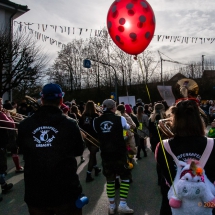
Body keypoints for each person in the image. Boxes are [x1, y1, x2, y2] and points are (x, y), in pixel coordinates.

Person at [17, 83, 85, 215]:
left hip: (36, 194)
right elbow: (79, 150)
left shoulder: (25, 124)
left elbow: (21, 149)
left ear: (42, 100)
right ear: (61, 100)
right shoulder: (70, 124)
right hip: (66, 192)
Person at [156, 100, 215, 215]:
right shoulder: (213, 144)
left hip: (173, 208)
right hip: (206, 206)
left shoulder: (162, 146)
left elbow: (163, 178)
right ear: (199, 121)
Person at [93, 99, 134, 214]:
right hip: (119, 153)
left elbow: (97, 131)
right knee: (125, 178)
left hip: (105, 154)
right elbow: (127, 128)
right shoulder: (120, 118)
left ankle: (111, 206)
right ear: (114, 108)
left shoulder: (96, 121)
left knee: (110, 180)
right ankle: (122, 204)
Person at [79, 100, 101, 182]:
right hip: (94, 137)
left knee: (93, 153)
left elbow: (80, 127)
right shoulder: (95, 115)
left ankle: (96, 168)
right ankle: (88, 174)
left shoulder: (83, 116)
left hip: (86, 137)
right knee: (92, 155)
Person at [0, 98, 14, 202]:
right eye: (0, 104)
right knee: (1, 168)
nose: (2, 106)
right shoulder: (1, 114)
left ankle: (4, 185)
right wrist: (9, 117)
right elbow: (11, 125)